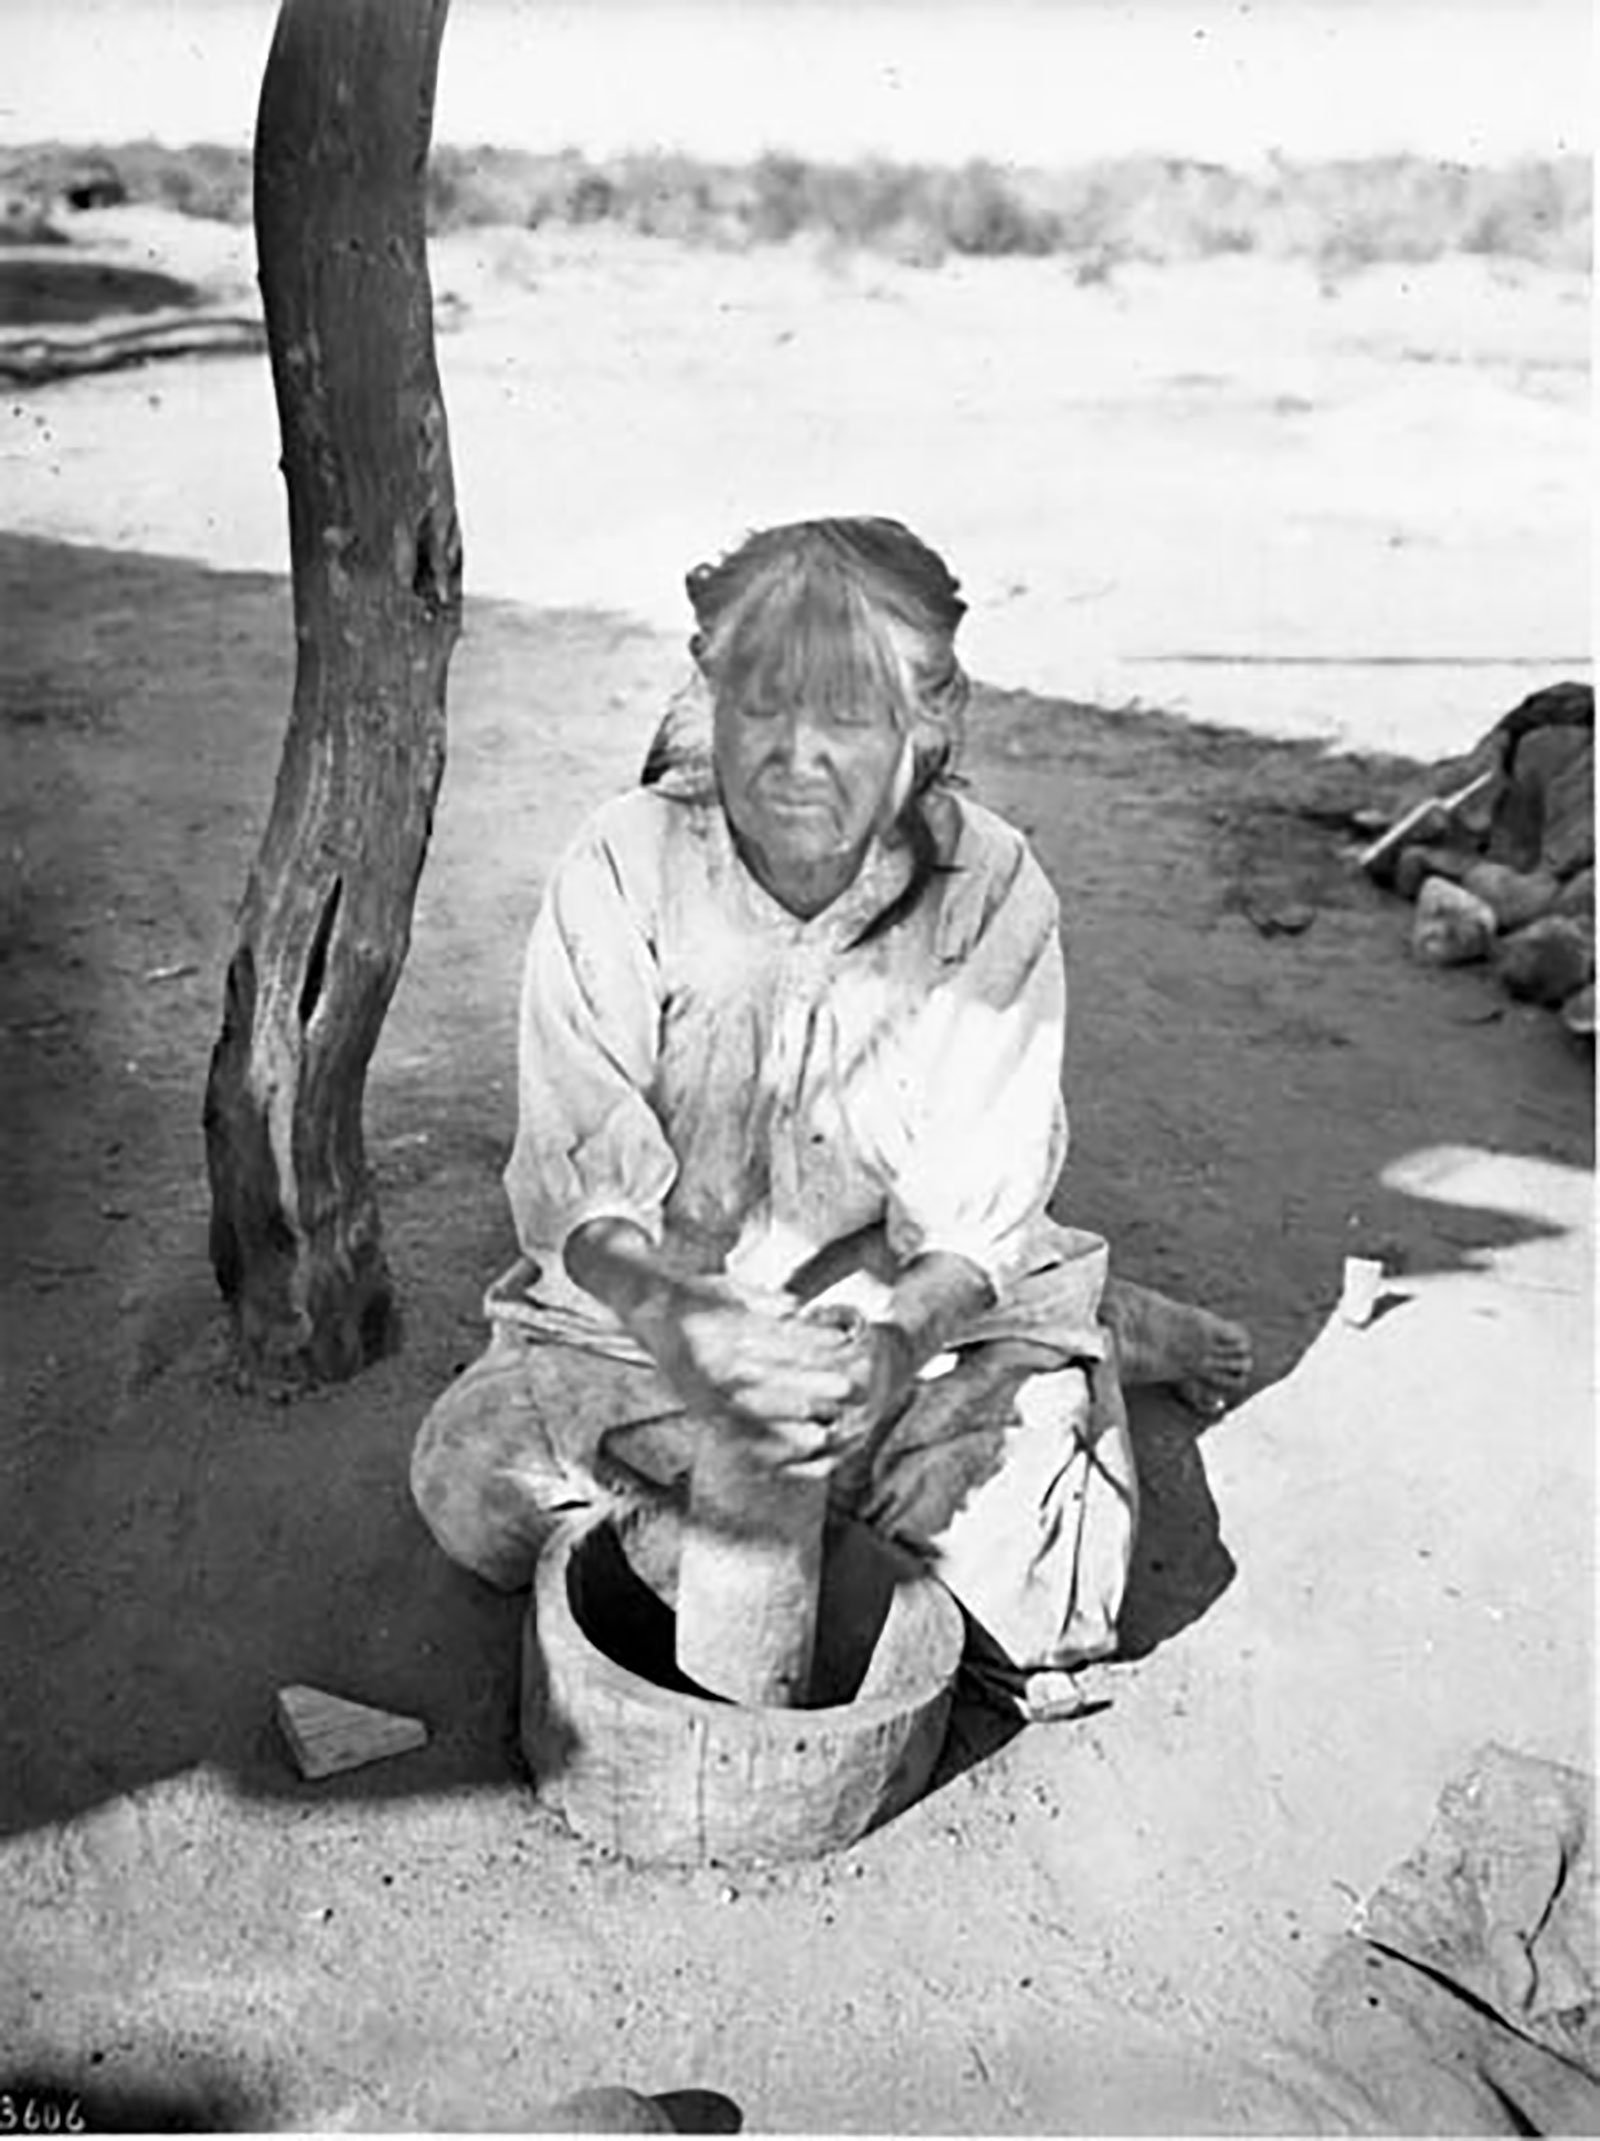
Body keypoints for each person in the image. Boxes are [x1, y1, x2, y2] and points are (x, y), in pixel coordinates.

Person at [411, 517, 1250, 1714]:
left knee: (1039, 1613)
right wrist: (687, 1327)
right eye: (764, 704)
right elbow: (577, 1182)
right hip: (665, 1316)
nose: (798, 755)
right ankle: (891, 1434)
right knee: (472, 1491)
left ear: (922, 734)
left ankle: (1089, 1322)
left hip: (911, 1311)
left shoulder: (991, 888)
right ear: (714, 699)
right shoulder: (624, 861)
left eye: (849, 716)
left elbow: (973, 1203)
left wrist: (893, 1351)